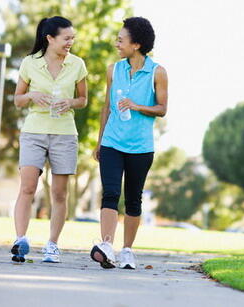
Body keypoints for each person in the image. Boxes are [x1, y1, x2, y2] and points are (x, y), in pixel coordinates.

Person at [90, 17, 168, 269]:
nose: (116, 43)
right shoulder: (114, 70)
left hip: (141, 147)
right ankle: (107, 246)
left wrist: (137, 106)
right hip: (112, 142)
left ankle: (126, 251)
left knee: (133, 199)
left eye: (120, 40)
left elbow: (162, 109)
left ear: (135, 44)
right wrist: (100, 141)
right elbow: (106, 107)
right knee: (110, 193)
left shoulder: (157, 72)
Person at [11, 16, 88, 263]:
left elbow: (83, 100)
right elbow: (17, 100)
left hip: (65, 133)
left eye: (72, 38)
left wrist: (71, 102)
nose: (71, 42)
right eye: (67, 38)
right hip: (34, 131)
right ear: (50, 38)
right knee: (27, 187)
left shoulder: (77, 64)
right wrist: (32, 94)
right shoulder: (29, 63)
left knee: (59, 194)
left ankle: (52, 245)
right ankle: (20, 239)